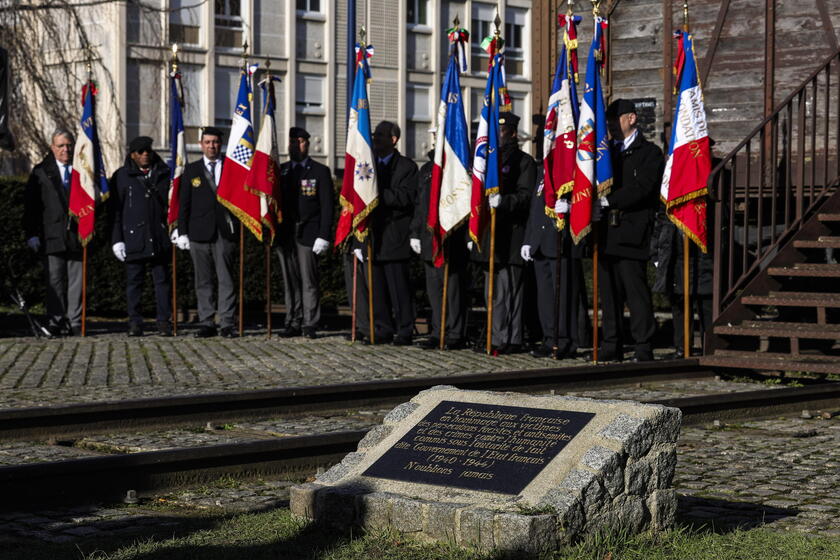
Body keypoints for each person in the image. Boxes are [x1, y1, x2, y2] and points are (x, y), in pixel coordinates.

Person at [596, 99, 663, 362]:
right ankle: (611, 342)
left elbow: (643, 188)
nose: (611, 125)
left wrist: (608, 201)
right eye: (609, 120)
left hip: (632, 231)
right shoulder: (606, 154)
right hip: (606, 232)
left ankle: (643, 344)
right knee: (608, 294)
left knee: (635, 292)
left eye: (616, 118)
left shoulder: (649, 153)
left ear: (631, 119)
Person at [471, 112, 535, 354]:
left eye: (502, 130)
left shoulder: (523, 161)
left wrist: (504, 201)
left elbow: (526, 197)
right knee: (493, 294)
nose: (497, 135)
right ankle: (494, 335)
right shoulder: (487, 160)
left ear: (513, 133)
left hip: (511, 235)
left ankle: (510, 338)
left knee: (509, 294)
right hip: (491, 237)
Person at [353, 121, 418, 345]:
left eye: (381, 135)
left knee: (399, 288)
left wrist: (377, 192)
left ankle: (405, 329)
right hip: (374, 236)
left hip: (395, 236)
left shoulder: (407, 167)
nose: (376, 139)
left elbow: (406, 198)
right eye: (375, 135)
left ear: (393, 139)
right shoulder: (369, 166)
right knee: (377, 288)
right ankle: (381, 328)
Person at [177, 127, 238, 338]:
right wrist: (182, 231)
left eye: (215, 142)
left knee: (226, 279)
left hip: (224, 231)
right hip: (198, 232)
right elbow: (184, 204)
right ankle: (207, 322)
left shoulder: (232, 168)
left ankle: (227, 322)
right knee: (203, 280)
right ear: (201, 145)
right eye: (208, 142)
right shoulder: (191, 170)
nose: (212, 146)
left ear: (221, 144)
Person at [109, 136, 172, 336]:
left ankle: (163, 322)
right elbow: (115, 212)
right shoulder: (121, 176)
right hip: (133, 237)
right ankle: (135, 322)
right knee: (134, 283)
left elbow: (173, 205)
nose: (145, 155)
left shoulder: (164, 173)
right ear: (132, 154)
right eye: (140, 151)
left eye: (148, 151)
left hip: (158, 235)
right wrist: (116, 239)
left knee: (162, 282)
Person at [23, 129, 82, 336]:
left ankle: (75, 321)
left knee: (77, 282)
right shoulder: (40, 171)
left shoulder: (82, 169)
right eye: (61, 146)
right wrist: (32, 234)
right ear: (52, 147)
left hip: (76, 235)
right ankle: (56, 320)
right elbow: (31, 207)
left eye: (68, 145)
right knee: (54, 281)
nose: (65, 149)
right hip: (52, 235)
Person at [276, 126, 334, 338]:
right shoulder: (281, 171)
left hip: (309, 234)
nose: (296, 145)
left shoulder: (319, 171)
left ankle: (310, 322)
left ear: (308, 145)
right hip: (286, 234)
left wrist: (324, 235)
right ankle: (293, 319)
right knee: (289, 281)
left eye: (301, 142)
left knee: (309, 281)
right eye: (293, 142)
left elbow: (327, 206)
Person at [410, 145, 469, 350]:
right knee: (434, 290)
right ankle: (437, 331)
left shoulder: (459, 166)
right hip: (429, 238)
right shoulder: (427, 169)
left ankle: (454, 333)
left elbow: (466, 203)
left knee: (453, 289)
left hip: (452, 239)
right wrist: (415, 232)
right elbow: (420, 204)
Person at [521, 177, 586, 359]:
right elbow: (535, 209)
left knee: (564, 296)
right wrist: (528, 240)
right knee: (545, 298)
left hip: (562, 241)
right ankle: (550, 338)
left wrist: (572, 208)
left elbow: (586, 199)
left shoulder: (570, 166)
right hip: (540, 243)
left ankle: (566, 341)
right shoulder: (543, 171)